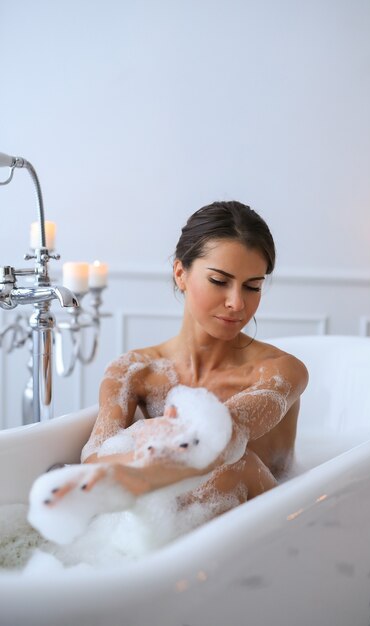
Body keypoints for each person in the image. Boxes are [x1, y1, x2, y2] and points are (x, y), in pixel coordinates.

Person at [43, 201, 308, 523]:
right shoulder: (135, 370)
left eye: (253, 287)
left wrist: (150, 472)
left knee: (235, 465)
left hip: (270, 527)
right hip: (171, 531)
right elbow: (95, 455)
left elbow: (226, 436)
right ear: (181, 273)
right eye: (219, 281)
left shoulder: (279, 371)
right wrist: (142, 454)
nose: (237, 303)